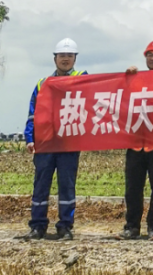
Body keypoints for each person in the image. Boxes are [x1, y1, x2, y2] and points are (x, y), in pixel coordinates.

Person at [26, 38, 87, 241]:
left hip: (68, 143)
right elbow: (32, 114)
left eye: (70, 56)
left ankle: (65, 226)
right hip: (45, 143)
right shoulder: (42, 84)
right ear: (55, 59)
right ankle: (37, 226)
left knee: (67, 186)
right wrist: (29, 138)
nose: (66, 59)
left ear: (75, 59)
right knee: (41, 185)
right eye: (62, 56)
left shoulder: (82, 78)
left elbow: (102, 91)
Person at [119, 40, 153, 241]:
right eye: (150, 54)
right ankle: (132, 226)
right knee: (133, 188)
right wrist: (126, 77)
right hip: (135, 143)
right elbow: (120, 99)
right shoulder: (136, 79)